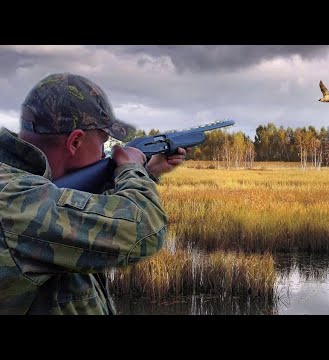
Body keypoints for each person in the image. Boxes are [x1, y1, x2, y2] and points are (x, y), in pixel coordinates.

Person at [0, 72, 188, 315]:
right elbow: (143, 229)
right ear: (75, 142)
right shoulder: (14, 199)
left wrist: (148, 173)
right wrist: (131, 169)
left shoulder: (24, 185)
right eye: (103, 144)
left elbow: (74, 210)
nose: (104, 155)